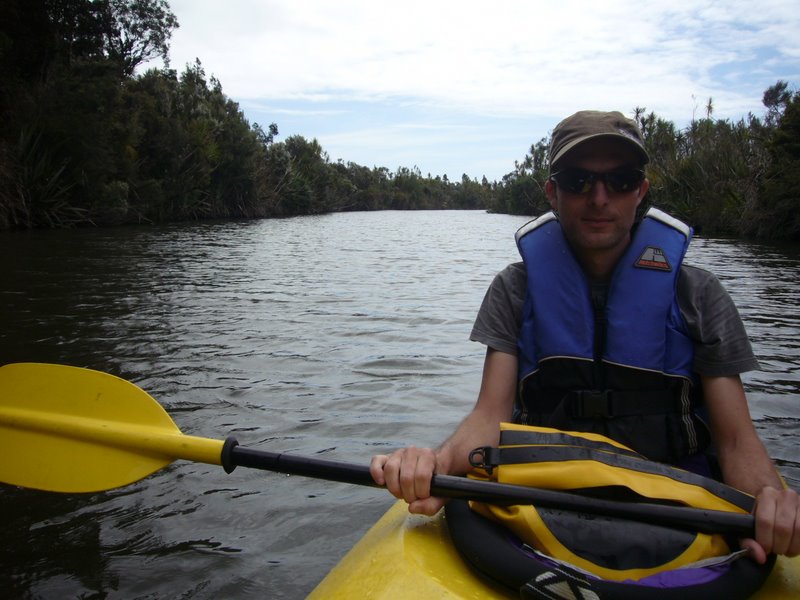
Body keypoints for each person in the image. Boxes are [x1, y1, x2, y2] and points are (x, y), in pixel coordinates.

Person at [370, 110, 800, 564]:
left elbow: (736, 441)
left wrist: (769, 498)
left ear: (641, 192)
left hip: (680, 499)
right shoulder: (514, 290)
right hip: (545, 492)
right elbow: (489, 416)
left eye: (620, 180)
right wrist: (434, 463)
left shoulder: (699, 294)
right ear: (553, 193)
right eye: (578, 180)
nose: (599, 198)